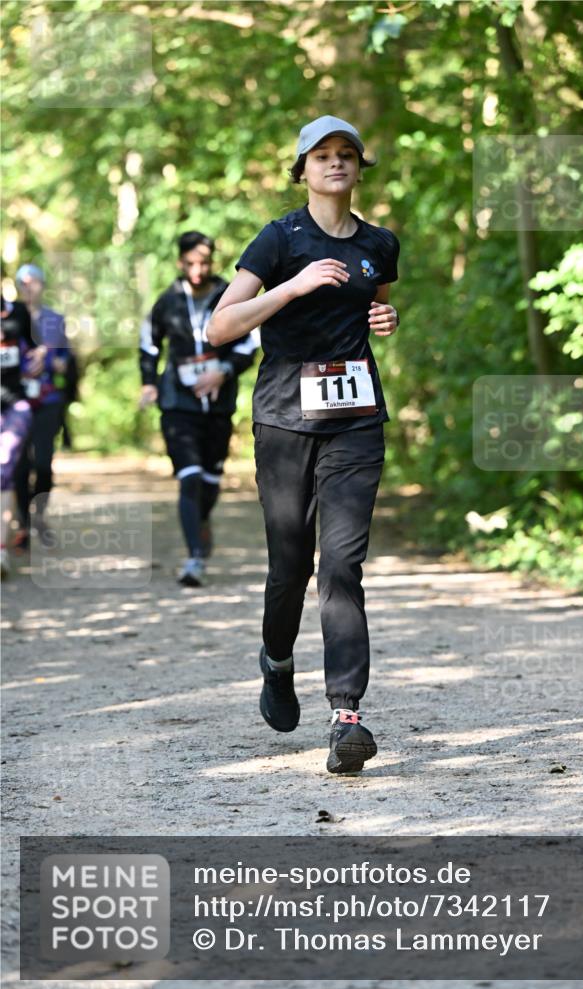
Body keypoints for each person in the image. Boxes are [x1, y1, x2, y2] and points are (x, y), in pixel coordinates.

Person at [207, 115, 400, 775]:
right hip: (285, 421)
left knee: (341, 564)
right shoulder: (278, 238)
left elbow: (371, 306)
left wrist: (385, 318)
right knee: (290, 566)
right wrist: (290, 286)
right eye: (323, 155)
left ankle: (346, 715)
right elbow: (218, 328)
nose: (336, 163)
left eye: (347, 153)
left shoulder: (379, 243)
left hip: (355, 420)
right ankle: (276, 661)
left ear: (357, 167)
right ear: (303, 168)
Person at [139, 230, 256, 586]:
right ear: (180, 262)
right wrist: (148, 381)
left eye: (203, 262)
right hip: (177, 402)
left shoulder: (229, 295)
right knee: (188, 479)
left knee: (209, 482)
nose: (197, 269)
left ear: (212, 262)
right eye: (190, 263)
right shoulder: (167, 301)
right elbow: (149, 342)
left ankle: (201, 521)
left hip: (219, 404)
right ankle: (194, 560)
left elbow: (250, 343)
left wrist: (223, 371)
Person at [13, 264, 71, 548]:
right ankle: (23, 522)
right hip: (15, 400)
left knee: (43, 463)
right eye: (23, 283)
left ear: (42, 285)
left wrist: (56, 361)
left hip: (48, 399)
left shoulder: (54, 320)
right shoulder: (8, 316)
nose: (28, 287)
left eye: (34, 282)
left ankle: (39, 515)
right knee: (20, 467)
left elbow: (66, 358)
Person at [1, 295, 42, 578]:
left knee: (3, 467)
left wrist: (39, 357)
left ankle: (1, 549)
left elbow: (37, 347)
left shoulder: (18, 313)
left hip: (15, 403)